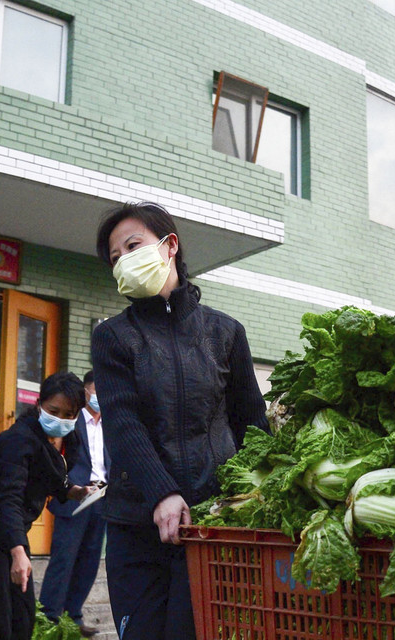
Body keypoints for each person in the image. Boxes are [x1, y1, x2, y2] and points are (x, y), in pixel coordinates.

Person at [92, 201, 269, 639]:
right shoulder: (113, 336)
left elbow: (252, 424)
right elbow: (122, 422)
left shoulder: (225, 333)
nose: (124, 261)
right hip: (138, 524)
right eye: (115, 257)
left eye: (133, 245)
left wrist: (258, 494)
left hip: (214, 522)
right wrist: (162, 494)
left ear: (169, 246)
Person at [0, 371, 93, 640]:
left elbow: (48, 475)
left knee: (24, 613)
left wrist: (72, 491)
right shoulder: (19, 439)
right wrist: (18, 552)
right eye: (54, 410)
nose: (61, 419)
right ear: (39, 404)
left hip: (10, 528)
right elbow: (10, 497)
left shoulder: (69, 438)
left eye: (69, 414)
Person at [38, 370, 109, 638]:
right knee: (64, 559)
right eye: (96, 390)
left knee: (90, 561)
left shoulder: (110, 423)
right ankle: (49, 617)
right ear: (86, 391)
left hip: (102, 497)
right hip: (74, 495)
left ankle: (74, 615)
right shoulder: (70, 419)